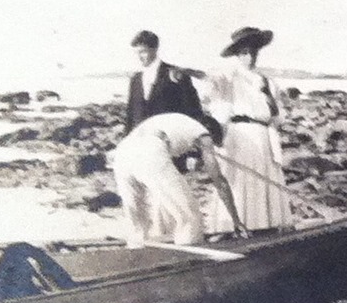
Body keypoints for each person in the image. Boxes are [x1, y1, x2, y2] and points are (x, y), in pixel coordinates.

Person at [113, 112, 247, 248]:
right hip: (149, 151)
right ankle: (191, 263)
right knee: (190, 217)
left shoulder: (177, 121)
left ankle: (137, 257)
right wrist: (236, 220)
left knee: (137, 224)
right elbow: (219, 181)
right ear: (211, 133)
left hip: (122, 153)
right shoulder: (203, 134)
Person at [206, 27, 293, 234]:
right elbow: (212, 87)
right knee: (242, 179)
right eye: (244, 52)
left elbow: (278, 116)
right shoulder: (230, 77)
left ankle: (266, 226)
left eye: (253, 52)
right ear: (237, 55)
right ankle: (237, 225)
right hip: (240, 135)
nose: (250, 57)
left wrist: (271, 103)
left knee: (265, 176)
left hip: (264, 135)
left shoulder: (267, 82)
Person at [124, 30, 204, 136]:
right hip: (141, 141)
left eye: (143, 52)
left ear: (155, 49)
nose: (139, 57)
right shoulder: (135, 79)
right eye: (137, 52)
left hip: (170, 140)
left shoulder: (175, 74)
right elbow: (130, 116)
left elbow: (193, 109)